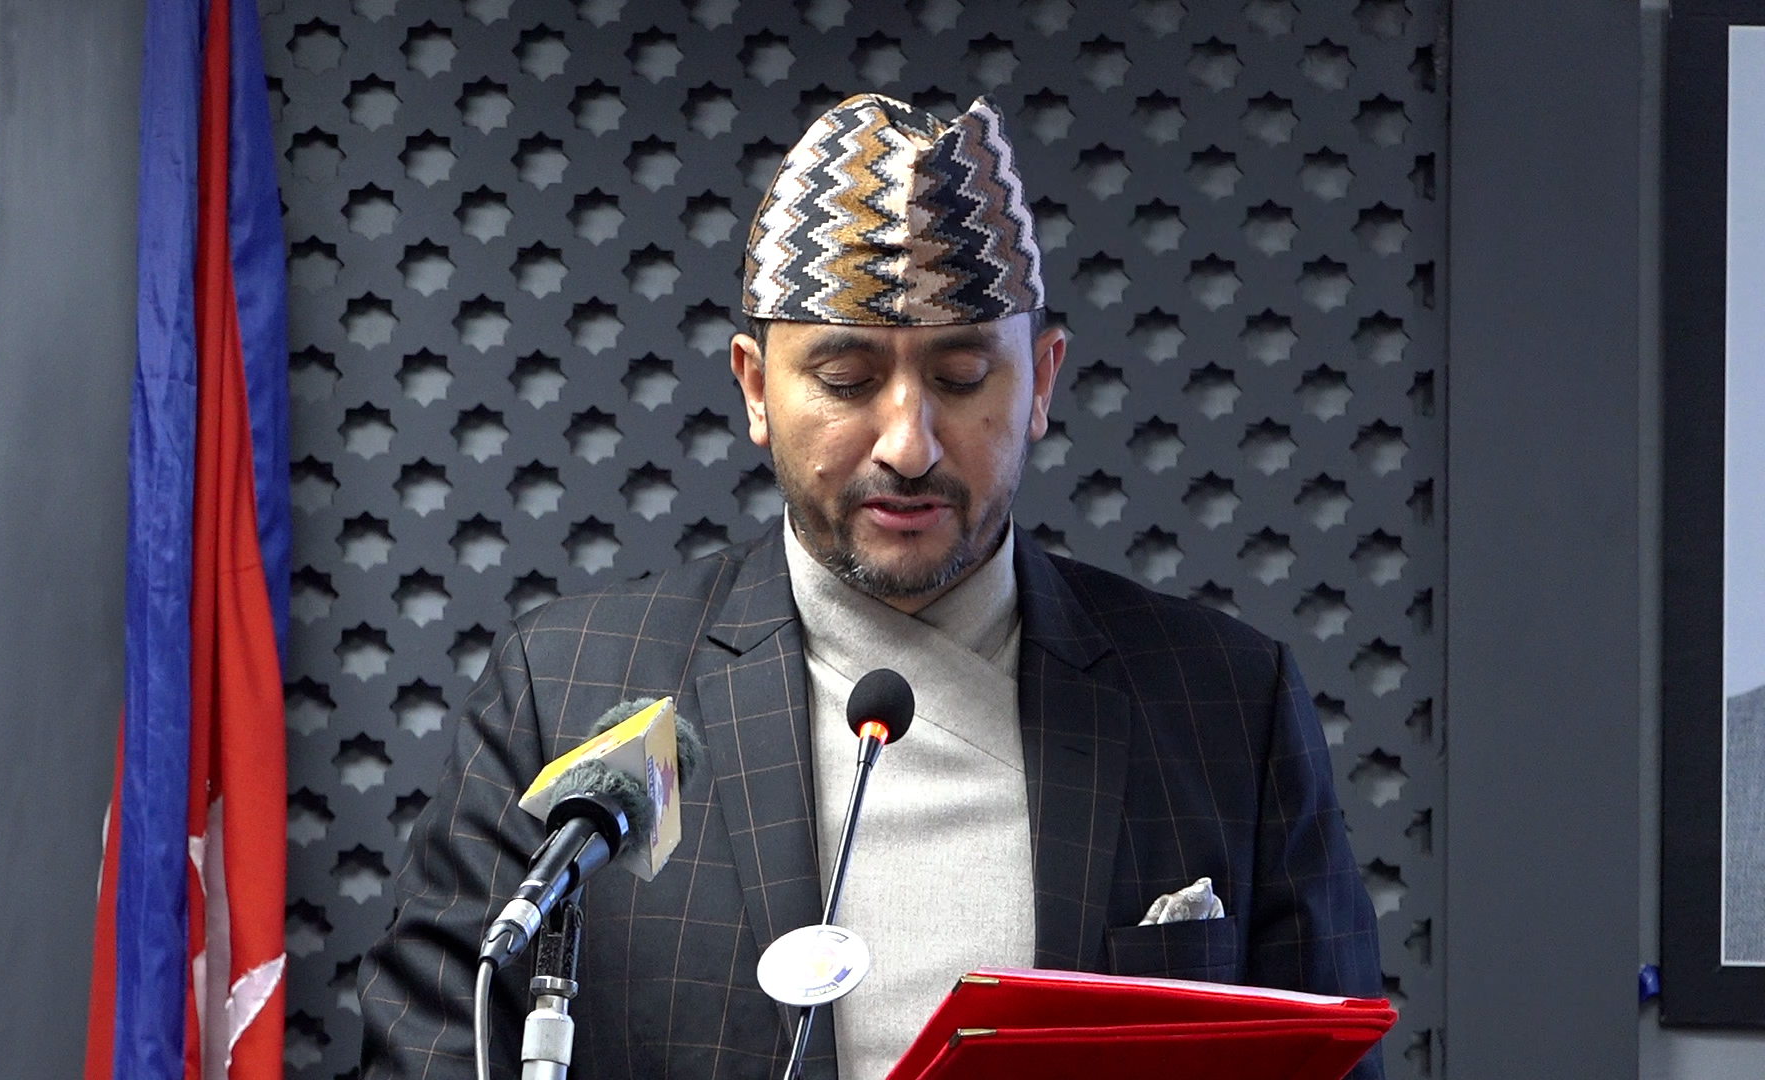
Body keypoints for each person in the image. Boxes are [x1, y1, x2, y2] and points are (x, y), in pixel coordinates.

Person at [359, 94, 1384, 1080]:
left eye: (961, 377)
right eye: (846, 381)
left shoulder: (1225, 704)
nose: (908, 444)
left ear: (1043, 381)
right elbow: (436, 1051)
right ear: (755, 387)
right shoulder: (565, 687)